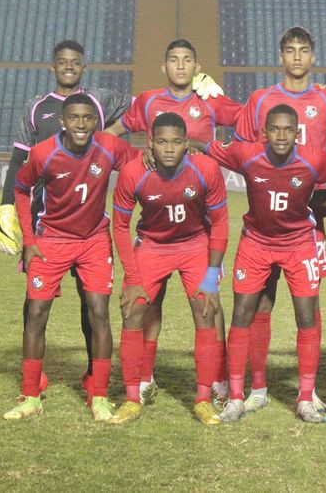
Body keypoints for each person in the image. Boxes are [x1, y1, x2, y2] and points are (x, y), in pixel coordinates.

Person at [224, 26, 326, 414]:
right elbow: (241, 145)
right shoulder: (260, 99)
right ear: (281, 56)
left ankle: (308, 391)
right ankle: (257, 387)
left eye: (304, 50)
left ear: (313, 56)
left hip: (309, 214)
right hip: (264, 213)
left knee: (308, 303)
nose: (298, 57)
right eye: (290, 50)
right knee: (261, 302)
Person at [0, 39, 133, 404]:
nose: (69, 66)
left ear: (83, 67)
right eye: (62, 61)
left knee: (93, 305)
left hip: (90, 226)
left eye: (75, 62)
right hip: (46, 223)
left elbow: (143, 109)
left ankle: (93, 376)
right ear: (52, 66)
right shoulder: (36, 108)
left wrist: (190, 94)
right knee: (34, 305)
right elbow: (19, 163)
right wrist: (6, 207)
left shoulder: (99, 100)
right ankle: (33, 378)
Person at [105, 39, 241, 405]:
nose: (180, 66)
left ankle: (218, 378)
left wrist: (212, 151)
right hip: (156, 223)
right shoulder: (148, 102)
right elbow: (112, 135)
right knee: (149, 302)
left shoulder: (211, 101)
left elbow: (255, 121)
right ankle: (144, 377)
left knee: (210, 306)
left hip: (200, 224)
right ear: (164, 66)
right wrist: (138, 157)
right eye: (174, 60)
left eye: (187, 60)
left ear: (197, 67)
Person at [204, 104, 326, 423]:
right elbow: (208, 146)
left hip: (299, 245)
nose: (281, 135)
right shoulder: (246, 154)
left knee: (306, 316)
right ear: (263, 133)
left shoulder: (314, 159)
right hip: (255, 244)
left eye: (288, 130)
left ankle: (306, 398)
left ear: (297, 133)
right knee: (244, 313)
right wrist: (187, 143)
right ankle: (239, 396)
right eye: (274, 129)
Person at [110, 113, 229, 425]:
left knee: (206, 309)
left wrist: (211, 277)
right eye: (162, 142)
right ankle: (132, 398)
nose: (168, 148)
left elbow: (220, 223)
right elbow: (120, 227)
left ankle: (203, 400)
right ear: (150, 143)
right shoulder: (133, 172)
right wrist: (132, 278)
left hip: (194, 244)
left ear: (186, 143)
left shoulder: (205, 169)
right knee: (132, 309)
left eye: (176, 142)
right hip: (152, 245)